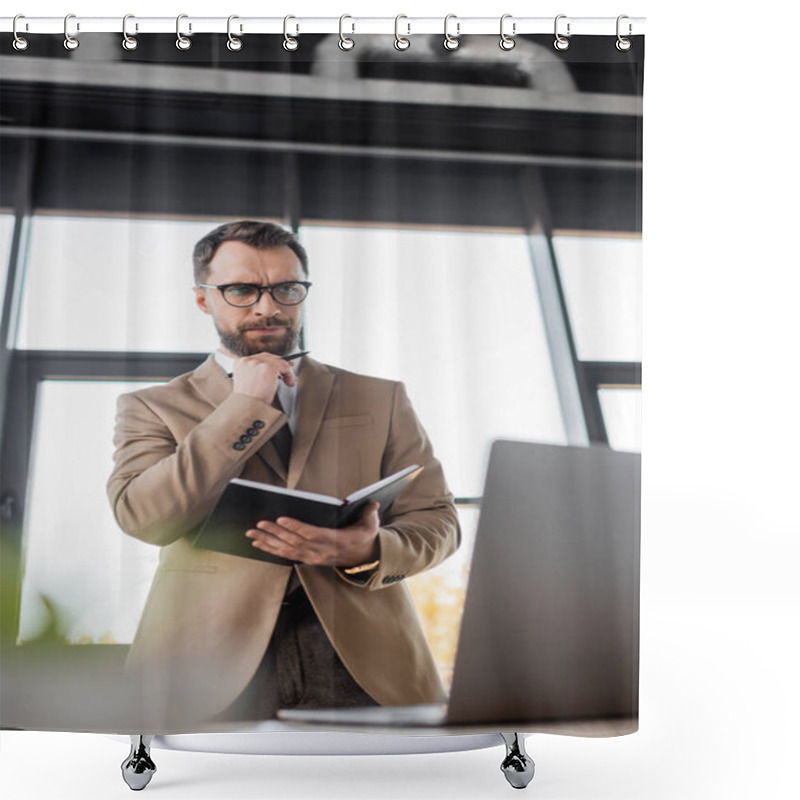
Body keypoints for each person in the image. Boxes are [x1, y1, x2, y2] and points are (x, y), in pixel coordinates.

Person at [107, 220, 459, 728]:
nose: (267, 307)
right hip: (202, 665)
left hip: (363, 658)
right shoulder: (151, 407)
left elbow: (439, 521)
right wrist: (243, 406)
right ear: (205, 300)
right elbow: (144, 518)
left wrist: (367, 550)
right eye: (242, 289)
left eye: (286, 289)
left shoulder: (380, 397)